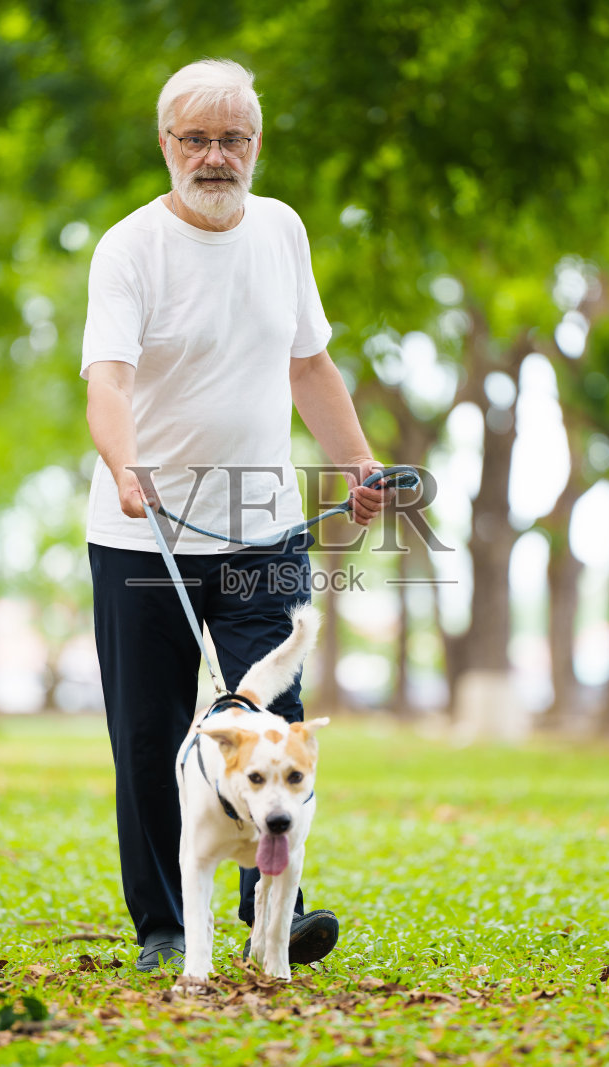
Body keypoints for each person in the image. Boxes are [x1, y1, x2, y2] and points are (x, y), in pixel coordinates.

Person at [81, 58, 387, 973]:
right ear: (166, 145)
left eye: (234, 139)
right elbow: (109, 379)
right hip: (148, 532)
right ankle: (166, 926)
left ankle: (272, 915)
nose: (216, 158)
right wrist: (123, 459)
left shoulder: (283, 230)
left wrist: (358, 464)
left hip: (264, 530)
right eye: (197, 139)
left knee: (273, 723)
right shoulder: (129, 249)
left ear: (257, 144)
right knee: (152, 728)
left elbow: (309, 365)